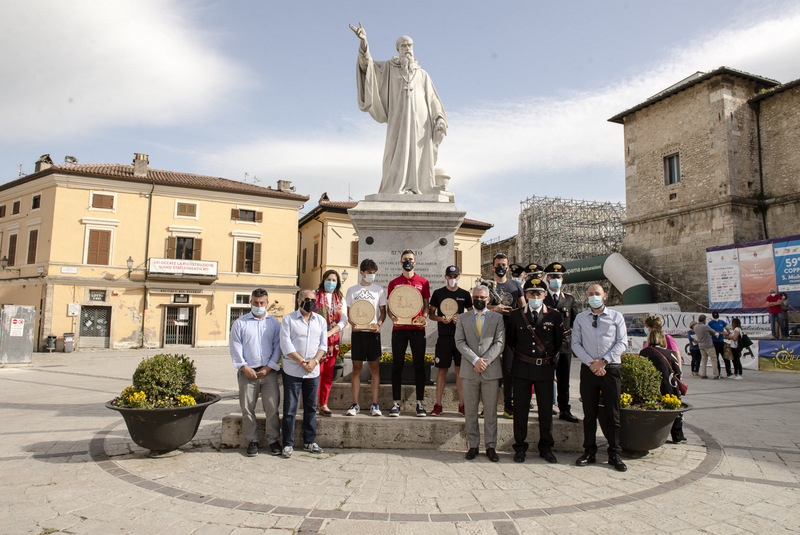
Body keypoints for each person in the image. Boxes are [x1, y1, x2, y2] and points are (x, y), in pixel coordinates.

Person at [350, 23, 447, 195]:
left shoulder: (422, 74)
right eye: (404, 45)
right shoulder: (389, 69)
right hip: (399, 120)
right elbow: (368, 67)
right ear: (397, 48)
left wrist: (439, 117)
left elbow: (433, 99)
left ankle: (420, 186)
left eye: (410, 45)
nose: (407, 49)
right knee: (395, 153)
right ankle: (396, 186)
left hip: (421, 123)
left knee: (419, 154)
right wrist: (364, 43)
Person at [507, 279, 565, 464]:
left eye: (538, 293)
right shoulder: (516, 315)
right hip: (522, 367)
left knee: (546, 411)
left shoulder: (554, 316)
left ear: (545, 295)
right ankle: (520, 446)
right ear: (525, 295)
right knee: (521, 410)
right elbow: (511, 341)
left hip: (544, 369)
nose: (535, 297)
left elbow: (558, 343)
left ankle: (546, 447)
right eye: (531, 293)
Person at [572, 284, 629, 472]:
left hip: (610, 368)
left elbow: (622, 342)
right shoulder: (580, 318)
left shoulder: (616, 317)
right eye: (590, 294)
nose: (593, 297)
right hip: (589, 370)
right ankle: (589, 451)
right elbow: (576, 344)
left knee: (613, 413)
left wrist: (603, 362)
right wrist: (591, 363)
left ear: (604, 296)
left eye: (597, 294)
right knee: (589, 414)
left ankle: (614, 453)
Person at [229, 288, 282, 457]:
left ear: (267, 303)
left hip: (268, 372)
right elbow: (235, 347)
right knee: (247, 407)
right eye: (256, 303)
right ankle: (252, 440)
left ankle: (273, 439)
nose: (259, 305)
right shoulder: (240, 323)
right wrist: (244, 367)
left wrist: (269, 367)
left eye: (262, 303)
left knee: (272, 407)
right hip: (248, 372)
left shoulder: (274, 324)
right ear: (251, 302)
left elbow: (278, 347)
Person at [454, 285, 505, 462]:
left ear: (488, 299)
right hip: (470, 370)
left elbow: (499, 342)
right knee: (470, 411)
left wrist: (485, 361)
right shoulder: (463, 318)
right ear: (472, 298)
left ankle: (491, 446)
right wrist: (475, 360)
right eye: (476, 297)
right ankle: (473, 445)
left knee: (490, 411)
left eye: (482, 297)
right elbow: (459, 341)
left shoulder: (497, 318)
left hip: (490, 370)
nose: (479, 300)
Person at [279, 290, 328, 458]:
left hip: (312, 371)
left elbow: (323, 345)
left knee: (311, 408)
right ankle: (288, 443)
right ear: (299, 300)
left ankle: (309, 441)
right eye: (306, 299)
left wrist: (314, 361)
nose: (310, 302)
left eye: (313, 300)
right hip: (293, 369)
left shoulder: (320, 321)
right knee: (290, 408)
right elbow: (286, 345)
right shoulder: (289, 319)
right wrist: (302, 361)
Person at [387, 250, 430, 417]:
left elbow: (426, 305)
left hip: (417, 329)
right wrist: (392, 318)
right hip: (399, 329)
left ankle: (420, 403)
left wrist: (424, 317)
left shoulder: (423, 282)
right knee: (397, 365)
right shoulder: (394, 283)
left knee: (419, 365)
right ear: (400, 262)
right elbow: (391, 308)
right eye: (405, 259)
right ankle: (396, 403)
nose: (408, 262)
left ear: (415, 262)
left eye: (410, 259)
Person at [344, 259, 387, 416]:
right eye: (369, 273)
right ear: (361, 272)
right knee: (356, 368)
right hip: (358, 333)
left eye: (373, 273)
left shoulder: (379, 290)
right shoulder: (352, 290)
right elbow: (348, 312)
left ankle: (374, 404)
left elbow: (383, 311)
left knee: (375, 367)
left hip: (373, 333)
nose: (371, 276)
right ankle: (355, 403)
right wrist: (352, 323)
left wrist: (379, 324)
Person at [428, 265, 473, 416]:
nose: (452, 279)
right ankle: (438, 404)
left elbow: (471, 314)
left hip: (461, 338)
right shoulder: (438, 293)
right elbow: (431, 314)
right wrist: (441, 318)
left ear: (459, 277)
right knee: (442, 370)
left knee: (460, 371)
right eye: (450, 277)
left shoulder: (465, 294)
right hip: (444, 337)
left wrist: (461, 319)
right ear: (446, 277)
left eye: (455, 277)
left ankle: (462, 405)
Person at [487, 252, 526, 419]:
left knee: (509, 370)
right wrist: (494, 309)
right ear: (492, 267)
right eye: (498, 265)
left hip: (511, 332)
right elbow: (477, 308)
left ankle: (508, 404)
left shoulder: (516, 286)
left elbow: (524, 309)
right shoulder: (486, 285)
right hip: (490, 332)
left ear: (508, 267)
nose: (500, 267)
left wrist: (513, 312)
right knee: (490, 369)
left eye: (503, 265)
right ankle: (488, 405)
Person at [542, 262, 580, 423]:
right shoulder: (542, 298)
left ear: (562, 279)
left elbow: (576, 323)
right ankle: (546, 407)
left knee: (564, 380)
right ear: (547, 279)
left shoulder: (569, 300)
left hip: (564, 346)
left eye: (558, 277)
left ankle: (564, 409)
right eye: (552, 277)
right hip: (546, 345)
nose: (555, 279)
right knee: (545, 379)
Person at [639, 317, 686, 443]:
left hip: (657, 381)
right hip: (669, 381)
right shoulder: (667, 352)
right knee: (674, 405)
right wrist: (677, 375)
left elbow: (676, 354)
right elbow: (675, 361)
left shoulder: (665, 340)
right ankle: (677, 435)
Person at [315, 270, 348, 416]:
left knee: (328, 373)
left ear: (338, 283)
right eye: (328, 279)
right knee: (317, 372)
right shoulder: (315, 295)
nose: (331, 282)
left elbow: (344, 320)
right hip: (316, 339)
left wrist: (331, 331)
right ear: (323, 280)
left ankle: (323, 403)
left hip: (332, 340)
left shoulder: (340, 299)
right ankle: (312, 402)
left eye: (334, 280)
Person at [693, 315, 723, 379]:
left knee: (704, 359)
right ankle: (716, 374)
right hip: (708, 345)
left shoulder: (695, 327)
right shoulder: (705, 326)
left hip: (701, 345)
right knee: (714, 359)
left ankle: (703, 374)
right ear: (704, 320)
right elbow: (713, 332)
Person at [708, 312, 732, 378]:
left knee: (726, 357)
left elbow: (727, 330)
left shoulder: (722, 322)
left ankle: (729, 372)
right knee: (716, 358)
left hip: (721, 341)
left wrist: (725, 333)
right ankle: (718, 373)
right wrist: (715, 333)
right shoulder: (710, 323)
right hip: (714, 342)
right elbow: (709, 332)